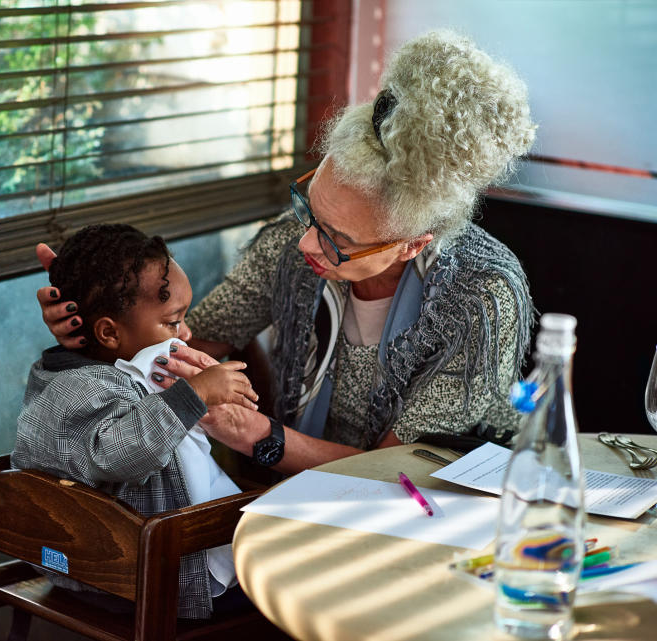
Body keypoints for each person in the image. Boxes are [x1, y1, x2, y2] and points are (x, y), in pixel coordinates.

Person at [35, 29, 536, 475]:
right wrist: (100, 334)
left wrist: (257, 435)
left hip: (436, 514)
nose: (305, 243)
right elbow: (193, 340)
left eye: (336, 240)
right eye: (308, 209)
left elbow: (401, 471)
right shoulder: (288, 245)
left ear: (412, 245)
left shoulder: (482, 297)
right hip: (293, 496)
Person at [12, 223, 259, 620]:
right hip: (143, 580)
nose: (187, 332)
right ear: (109, 332)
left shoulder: (84, 374)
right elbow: (118, 454)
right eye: (173, 321)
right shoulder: (80, 390)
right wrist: (194, 394)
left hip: (97, 571)